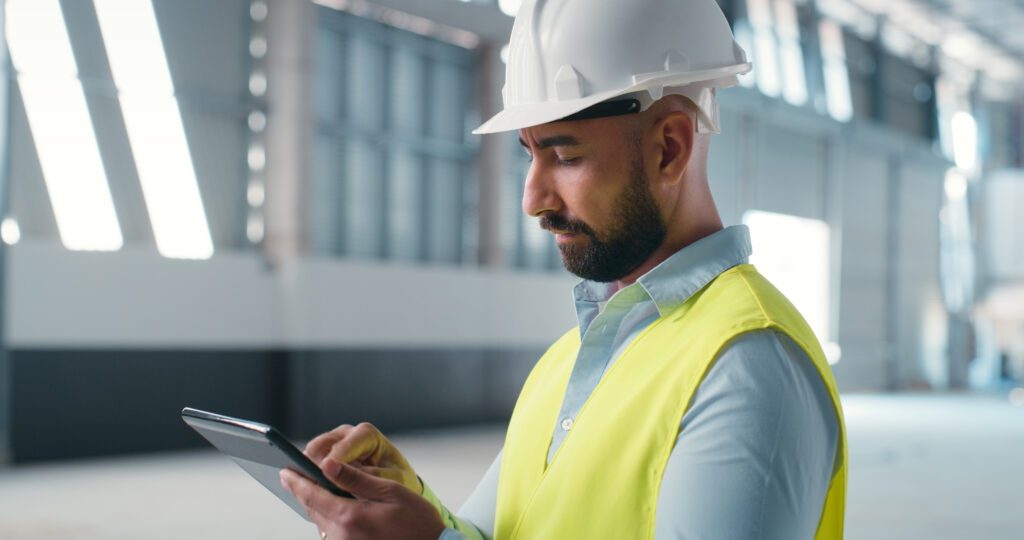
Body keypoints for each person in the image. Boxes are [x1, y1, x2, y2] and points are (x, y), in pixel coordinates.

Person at [280, 0, 848, 538]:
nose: (532, 199)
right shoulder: (569, 361)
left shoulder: (747, 366)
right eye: (530, 154)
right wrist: (409, 503)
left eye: (566, 156)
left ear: (669, 148)